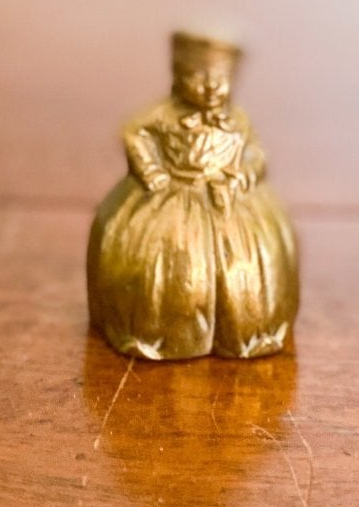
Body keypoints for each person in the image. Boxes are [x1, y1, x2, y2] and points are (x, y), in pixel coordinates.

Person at [87, 30, 299, 360]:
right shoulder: (162, 116)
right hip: (173, 199)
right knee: (170, 266)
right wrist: (151, 170)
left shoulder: (237, 119)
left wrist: (242, 176)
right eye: (198, 76)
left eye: (221, 77)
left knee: (244, 266)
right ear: (178, 76)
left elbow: (256, 153)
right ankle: (161, 330)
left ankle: (248, 328)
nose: (212, 86)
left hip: (228, 200)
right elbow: (134, 132)